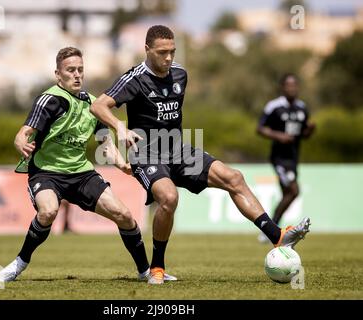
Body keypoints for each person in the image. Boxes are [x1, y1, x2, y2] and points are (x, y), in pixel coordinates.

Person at [90, 25, 311, 285]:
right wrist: (120, 127)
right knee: (169, 197)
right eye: (162, 52)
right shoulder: (134, 78)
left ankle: (277, 235)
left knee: (234, 178)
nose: (169, 58)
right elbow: (98, 105)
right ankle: (157, 267)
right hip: (147, 153)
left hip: (178, 150)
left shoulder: (180, 74)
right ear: (147, 50)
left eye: (172, 51)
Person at [0, 47, 176, 283]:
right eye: (70, 70)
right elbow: (23, 133)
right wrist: (20, 142)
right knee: (48, 211)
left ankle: (145, 271)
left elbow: (105, 144)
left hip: (82, 174)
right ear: (58, 75)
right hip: (46, 173)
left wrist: (123, 165)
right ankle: (20, 262)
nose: (77, 75)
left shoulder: (92, 104)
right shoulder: (50, 100)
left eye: (80, 70)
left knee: (124, 215)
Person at [256, 73, 316, 243]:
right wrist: (279, 136)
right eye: (289, 85)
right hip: (279, 159)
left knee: (287, 194)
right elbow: (260, 128)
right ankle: (270, 229)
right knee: (294, 190)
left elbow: (303, 134)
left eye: (295, 85)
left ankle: (271, 231)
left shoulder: (302, 108)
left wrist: (310, 130)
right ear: (283, 87)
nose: (292, 88)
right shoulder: (274, 106)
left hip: (293, 158)